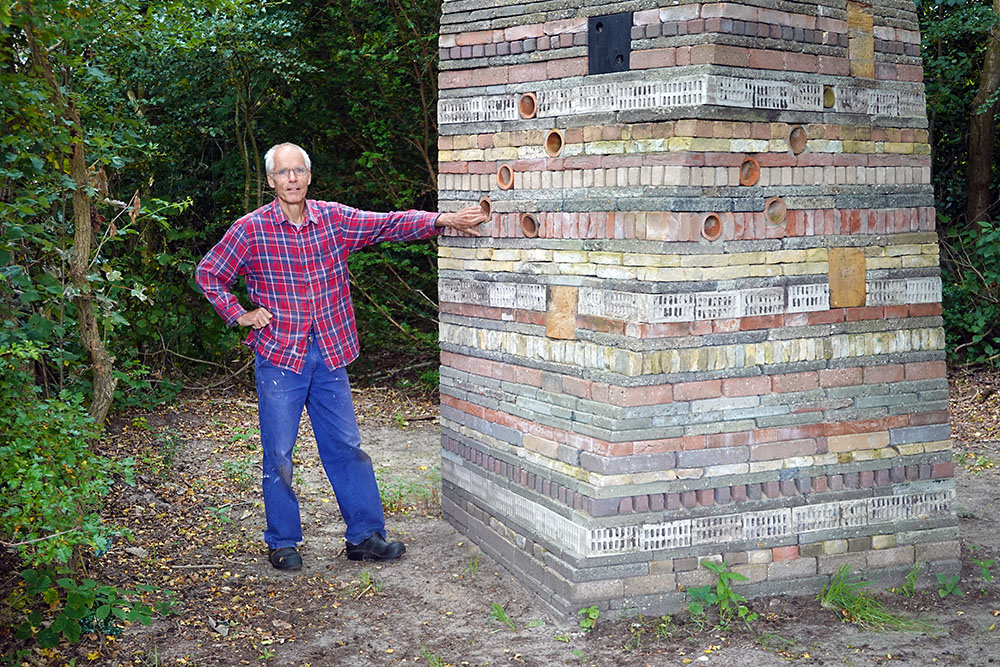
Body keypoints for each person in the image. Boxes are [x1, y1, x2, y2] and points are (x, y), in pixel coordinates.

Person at [195, 142, 486, 570]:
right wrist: (240, 314)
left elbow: (388, 224)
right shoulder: (250, 230)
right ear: (271, 180)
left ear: (309, 176)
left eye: (298, 171)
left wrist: (444, 220)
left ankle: (365, 537)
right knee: (279, 453)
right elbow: (209, 273)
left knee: (346, 448)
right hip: (279, 357)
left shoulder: (333, 219)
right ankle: (283, 541)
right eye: (283, 172)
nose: (291, 179)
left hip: (329, 354)